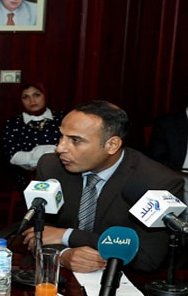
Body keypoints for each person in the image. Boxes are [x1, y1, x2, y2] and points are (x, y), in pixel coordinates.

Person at [21, 100, 183, 273]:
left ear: (112, 145)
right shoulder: (51, 166)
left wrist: (68, 235)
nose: (60, 148)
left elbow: (146, 258)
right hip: (60, 275)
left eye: (75, 140)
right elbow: (37, 233)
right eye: (62, 136)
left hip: (126, 279)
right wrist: (63, 255)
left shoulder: (158, 182)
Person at [1, 83, 64, 189]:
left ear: (45, 96)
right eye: (26, 97)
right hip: (26, 177)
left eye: (36, 95)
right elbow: (12, 156)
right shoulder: (13, 123)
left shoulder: (62, 118)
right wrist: (38, 160)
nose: (32, 101)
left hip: (62, 172)